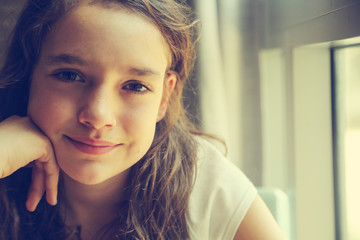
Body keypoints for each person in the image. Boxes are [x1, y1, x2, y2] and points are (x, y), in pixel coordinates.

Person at [0, 0, 288, 239]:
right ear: (28, 77)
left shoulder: (206, 187)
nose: (98, 116)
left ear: (163, 98)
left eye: (136, 86)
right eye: (70, 75)